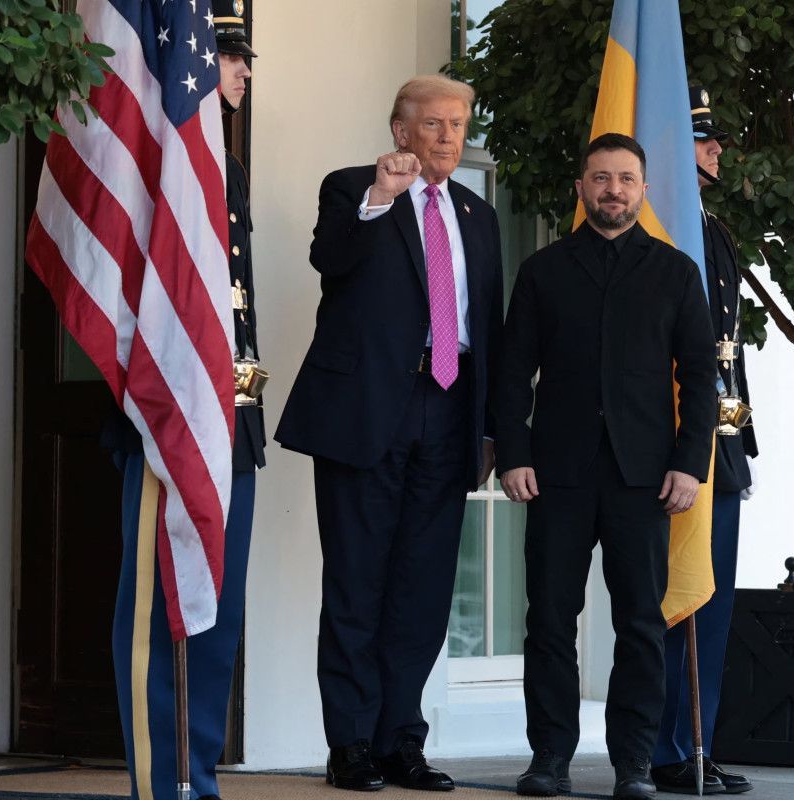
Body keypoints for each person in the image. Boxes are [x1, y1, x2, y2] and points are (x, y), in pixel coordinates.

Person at [274, 75, 503, 792]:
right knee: (357, 582)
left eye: (458, 124)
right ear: (401, 131)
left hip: (450, 410)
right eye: (433, 123)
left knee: (422, 590)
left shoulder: (478, 214)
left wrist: (491, 428)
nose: (448, 136)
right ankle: (351, 744)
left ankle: (401, 739)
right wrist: (382, 195)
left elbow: (489, 328)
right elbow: (330, 260)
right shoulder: (354, 189)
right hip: (368, 411)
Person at [497, 133, 718, 800]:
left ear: (643, 189)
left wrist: (690, 464)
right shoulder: (543, 271)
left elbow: (701, 378)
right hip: (556, 474)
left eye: (624, 178)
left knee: (641, 625)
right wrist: (513, 454)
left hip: (645, 478)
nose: (612, 190)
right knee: (548, 622)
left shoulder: (675, 272)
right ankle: (549, 759)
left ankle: (634, 764)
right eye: (600, 178)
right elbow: (512, 372)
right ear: (582, 188)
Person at [106, 5, 264, 798]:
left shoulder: (222, 166)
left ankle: (197, 775)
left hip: (232, 418)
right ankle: (163, 781)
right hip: (166, 414)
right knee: (160, 604)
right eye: (226, 55)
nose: (239, 71)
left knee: (217, 609)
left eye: (241, 60)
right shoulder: (158, 156)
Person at [650, 86, 759, 796]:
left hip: (719, 443)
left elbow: (728, 357)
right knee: (670, 603)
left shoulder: (712, 232)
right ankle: (662, 749)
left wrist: (738, 444)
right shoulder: (656, 234)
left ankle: (697, 744)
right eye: (701, 138)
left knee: (711, 604)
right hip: (668, 448)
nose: (716, 148)